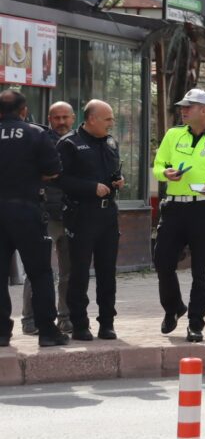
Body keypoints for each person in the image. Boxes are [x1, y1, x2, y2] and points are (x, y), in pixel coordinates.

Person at [152, 88, 205, 343]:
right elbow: (158, 165)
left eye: (189, 106)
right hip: (174, 207)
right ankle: (173, 308)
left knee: (202, 271)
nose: (183, 110)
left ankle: (195, 323)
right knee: (162, 262)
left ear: (204, 110)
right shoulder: (173, 134)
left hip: (204, 208)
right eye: (183, 106)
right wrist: (164, 173)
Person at [0, 90, 69, 347]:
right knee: (40, 273)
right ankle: (47, 332)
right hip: (26, 210)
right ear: (23, 111)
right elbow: (53, 171)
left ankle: (1, 333)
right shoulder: (35, 133)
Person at [57, 100, 123, 341]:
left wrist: (118, 180)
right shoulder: (70, 144)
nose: (111, 123)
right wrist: (90, 188)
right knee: (80, 273)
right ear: (92, 119)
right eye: (108, 119)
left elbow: (113, 171)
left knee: (108, 272)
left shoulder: (110, 142)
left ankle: (107, 323)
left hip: (108, 216)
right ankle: (79, 324)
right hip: (82, 215)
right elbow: (59, 179)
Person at [21, 101, 75, 335]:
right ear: (49, 119)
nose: (61, 122)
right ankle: (29, 319)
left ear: (73, 117)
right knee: (38, 268)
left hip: (73, 213)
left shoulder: (80, 142)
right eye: (56, 118)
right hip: (46, 212)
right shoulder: (39, 140)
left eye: (65, 117)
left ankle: (65, 317)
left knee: (69, 271)